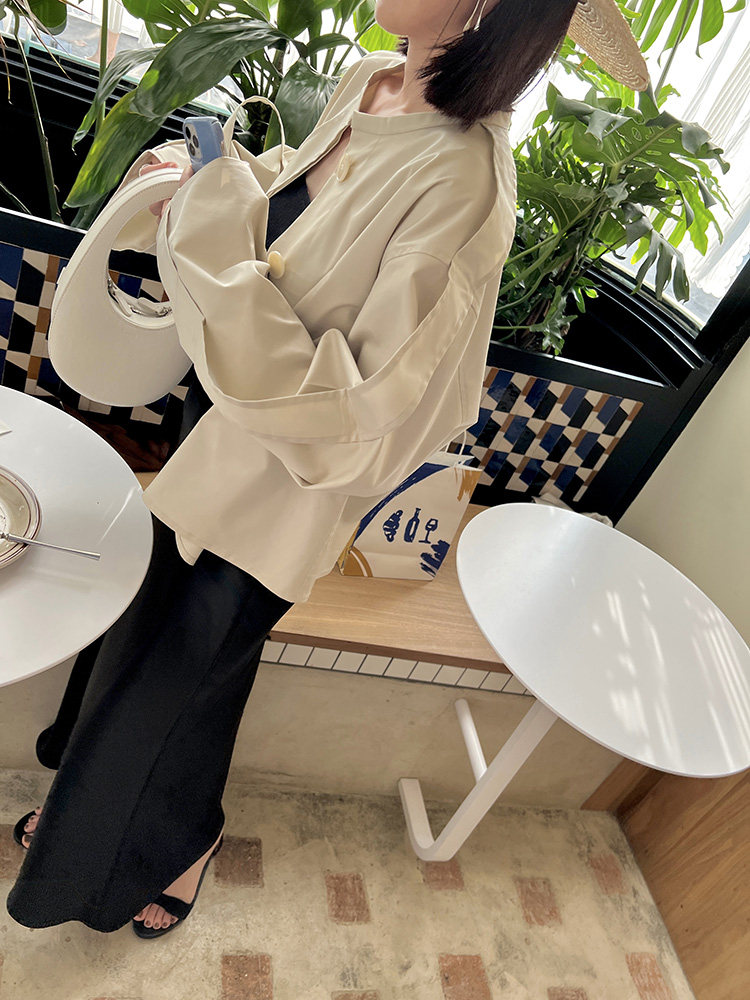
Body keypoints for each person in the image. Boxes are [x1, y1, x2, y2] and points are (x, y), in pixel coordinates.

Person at [6, 0, 647, 937]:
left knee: (177, 679)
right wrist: (212, 176)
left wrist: (209, 220)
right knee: (160, 648)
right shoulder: (371, 80)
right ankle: (113, 819)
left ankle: (136, 855)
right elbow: (295, 212)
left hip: (289, 479)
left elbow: (356, 402)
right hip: (220, 419)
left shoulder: (465, 183)